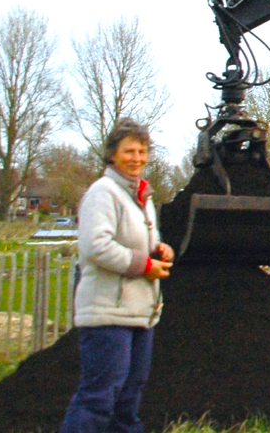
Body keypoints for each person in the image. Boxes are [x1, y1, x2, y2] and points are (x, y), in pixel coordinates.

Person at [61, 118, 174, 433]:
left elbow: (140, 244)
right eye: (129, 151)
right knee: (99, 398)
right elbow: (96, 246)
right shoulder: (103, 192)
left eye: (142, 151)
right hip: (107, 312)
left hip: (141, 311)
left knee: (128, 401)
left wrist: (160, 251)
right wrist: (144, 265)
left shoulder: (141, 196)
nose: (136, 158)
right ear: (112, 155)